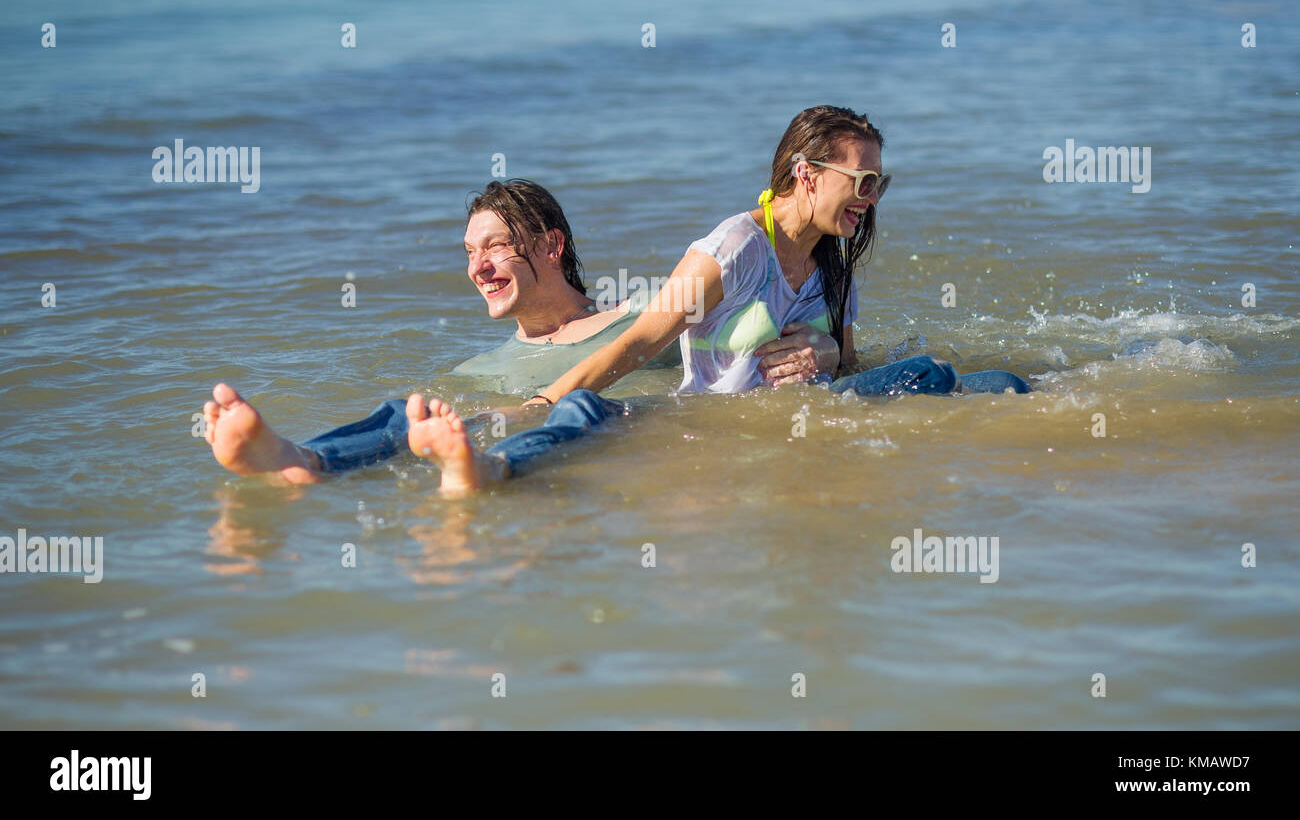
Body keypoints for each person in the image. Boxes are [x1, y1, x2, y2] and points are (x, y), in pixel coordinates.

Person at [406, 105, 1032, 495]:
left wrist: (825, 358)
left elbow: (851, 365)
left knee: (1001, 381)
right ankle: (487, 469)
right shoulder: (734, 248)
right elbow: (639, 340)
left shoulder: (835, 266)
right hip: (708, 422)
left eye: (879, 181)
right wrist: (539, 401)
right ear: (806, 175)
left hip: (804, 424)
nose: (872, 195)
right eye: (862, 181)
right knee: (587, 416)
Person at [201, 179, 676, 484]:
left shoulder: (640, 315)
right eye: (469, 252)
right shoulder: (479, 369)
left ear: (551, 245)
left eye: (496, 246)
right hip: (511, 437)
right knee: (403, 413)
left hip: (611, 421)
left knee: (580, 404)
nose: (479, 268)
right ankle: (304, 459)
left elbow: (730, 296)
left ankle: (487, 469)